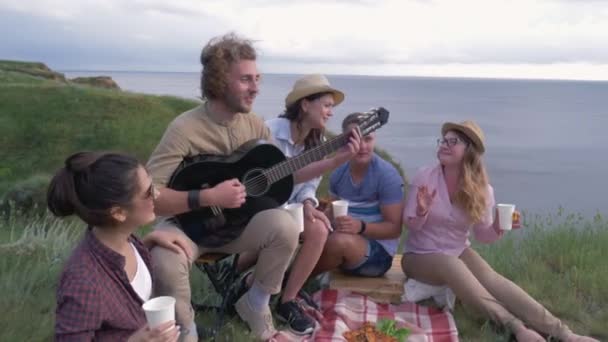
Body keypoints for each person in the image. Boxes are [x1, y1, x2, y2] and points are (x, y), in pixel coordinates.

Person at [145, 33, 357, 341]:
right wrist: (208, 196)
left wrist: (336, 159)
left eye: (258, 79)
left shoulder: (254, 125)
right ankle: (187, 331)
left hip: (236, 226)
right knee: (165, 263)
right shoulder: (184, 128)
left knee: (285, 223)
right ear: (219, 81)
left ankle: (255, 302)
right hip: (188, 227)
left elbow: (282, 174)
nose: (256, 88)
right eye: (246, 80)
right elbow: (150, 195)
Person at [400, 120, 598, 342]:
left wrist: (497, 227)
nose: (444, 145)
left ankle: (565, 334)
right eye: (443, 140)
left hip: (457, 250)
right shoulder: (425, 177)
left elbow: (482, 236)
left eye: (452, 141)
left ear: (469, 150)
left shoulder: (482, 190)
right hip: (418, 256)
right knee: (451, 265)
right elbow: (411, 225)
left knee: (492, 279)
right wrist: (421, 211)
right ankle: (516, 327)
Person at [49, 152, 190, 341]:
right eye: (148, 192)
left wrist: (148, 242)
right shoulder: (83, 282)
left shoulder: (127, 241)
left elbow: (121, 279)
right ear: (118, 213)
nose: (156, 195)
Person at [262, 74, 359, 334]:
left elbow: (309, 183)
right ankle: (256, 283)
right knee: (294, 226)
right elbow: (270, 179)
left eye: (331, 107)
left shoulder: (319, 143)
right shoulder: (268, 131)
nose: (330, 113)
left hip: (291, 209)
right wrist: (335, 161)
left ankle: (287, 300)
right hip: (260, 210)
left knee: (318, 227)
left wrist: (307, 202)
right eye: (326, 105)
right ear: (305, 105)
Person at [311, 112, 404, 279]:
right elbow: (332, 213)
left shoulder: (387, 176)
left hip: (378, 257)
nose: (362, 146)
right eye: (355, 139)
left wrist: (361, 227)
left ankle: (293, 282)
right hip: (346, 244)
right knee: (311, 229)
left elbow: (394, 229)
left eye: (367, 139)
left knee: (338, 242)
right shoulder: (339, 173)